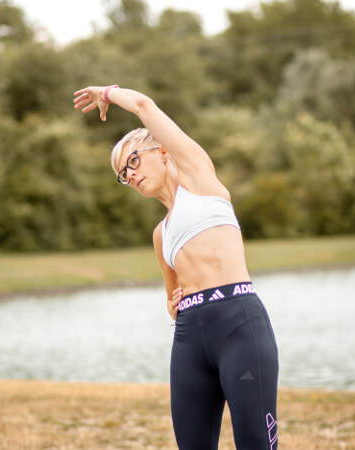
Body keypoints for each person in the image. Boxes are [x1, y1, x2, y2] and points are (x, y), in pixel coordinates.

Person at [73, 84, 279, 450]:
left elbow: (143, 105)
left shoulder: (201, 181)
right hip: (190, 338)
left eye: (133, 161)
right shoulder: (160, 234)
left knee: (255, 443)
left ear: (163, 153)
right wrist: (173, 303)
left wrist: (108, 93)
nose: (130, 175)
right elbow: (173, 297)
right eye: (123, 173)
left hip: (239, 326)